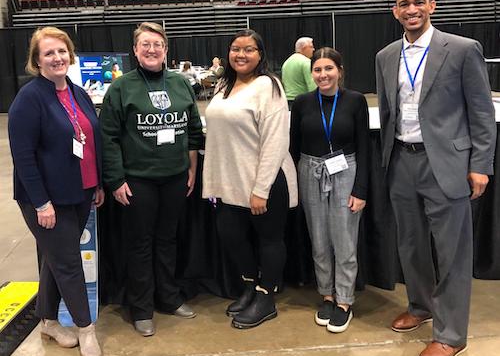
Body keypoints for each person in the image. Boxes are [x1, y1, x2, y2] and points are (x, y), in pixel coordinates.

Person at [376, 0, 496, 356]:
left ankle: (451, 333)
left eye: (418, 2)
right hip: (401, 161)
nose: (411, 9)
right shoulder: (385, 55)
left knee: (452, 252)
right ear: (395, 12)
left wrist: (480, 165)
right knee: (411, 245)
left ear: (432, 6)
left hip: (446, 163)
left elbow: (481, 112)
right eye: (403, 4)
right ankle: (420, 305)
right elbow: (389, 111)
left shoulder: (461, 49)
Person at [100, 22, 203, 337]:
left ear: (166, 50)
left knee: (167, 240)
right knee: (140, 245)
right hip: (138, 181)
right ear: (135, 50)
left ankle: (169, 298)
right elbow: (108, 137)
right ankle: (141, 308)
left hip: (174, 179)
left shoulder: (180, 83)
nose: (151, 49)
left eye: (157, 44)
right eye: (145, 44)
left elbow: (193, 131)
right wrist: (116, 180)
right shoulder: (121, 87)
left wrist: (192, 170)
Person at [8, 26, 104, 356]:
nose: (57, 57)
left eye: (61, 51)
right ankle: (86, 329)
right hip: (47, 199)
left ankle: (47, 320)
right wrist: (40, 203)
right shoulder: (29, 98)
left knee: (55, 257)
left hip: (80, 191)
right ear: (37, 60)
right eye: (48, 53)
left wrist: (97, 185)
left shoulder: (78, 93)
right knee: (68, 263)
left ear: (70, 54)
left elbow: (91, 140)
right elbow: (23, 156)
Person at [202, 29, 298, 329]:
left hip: (264, 182)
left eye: (249, 49)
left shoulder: (268, 86)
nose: (240, 54)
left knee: (269, 240)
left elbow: (276, 142)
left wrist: (261, 189)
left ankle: (266, 297)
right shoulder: (223, 85)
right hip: (229, 182)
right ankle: (249, 287)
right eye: (235, 49)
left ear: (260, 55)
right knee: (232, 236)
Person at [290, 47, 369, 333]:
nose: (323, 75)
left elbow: (363, 146)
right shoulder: (301, 103)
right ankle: (327, 295)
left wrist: (360, 190)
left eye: (328, 69)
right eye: (317, 70)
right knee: (319, 240)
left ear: (340, 70)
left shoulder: (355, 101)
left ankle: (344, 300)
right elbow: (293, 146)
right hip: (309, 171)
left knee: (344, 240)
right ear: (311, 73)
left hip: (345, 171)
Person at [281, 37, 317, 108]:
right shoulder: (306, 62)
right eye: (311, 47)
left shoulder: (286, 62)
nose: (313, 49)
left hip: (287, 102)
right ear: (304, 48)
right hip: (303, 102)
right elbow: (312, 84)